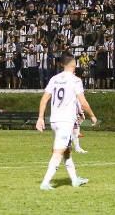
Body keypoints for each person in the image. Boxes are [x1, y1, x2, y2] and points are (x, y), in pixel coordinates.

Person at [36, 52, 97, 190]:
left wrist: (40, 118)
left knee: (67, 150)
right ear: (74, 65)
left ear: (62, 65)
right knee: (58, 151)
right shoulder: (75, 80)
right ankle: (45, 182)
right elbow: (83, 102)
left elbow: (44, 99)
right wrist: (92, 115)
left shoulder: (54, 79)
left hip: (54, 121)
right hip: (65, 121)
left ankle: (75, 179)